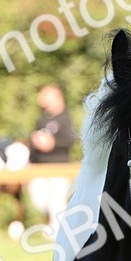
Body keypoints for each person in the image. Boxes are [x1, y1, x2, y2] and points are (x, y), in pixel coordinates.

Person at [27, 84, 76, 233]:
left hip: (59, 166)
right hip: (41, 167)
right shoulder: (41, 119)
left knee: (57, 200)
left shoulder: (65, 117)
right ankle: (58, 226)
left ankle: (59, 232)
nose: (40, 98)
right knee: (39, 200)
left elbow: (71, 138)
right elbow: (34, 142)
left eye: (44, 94)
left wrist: (52, 143)